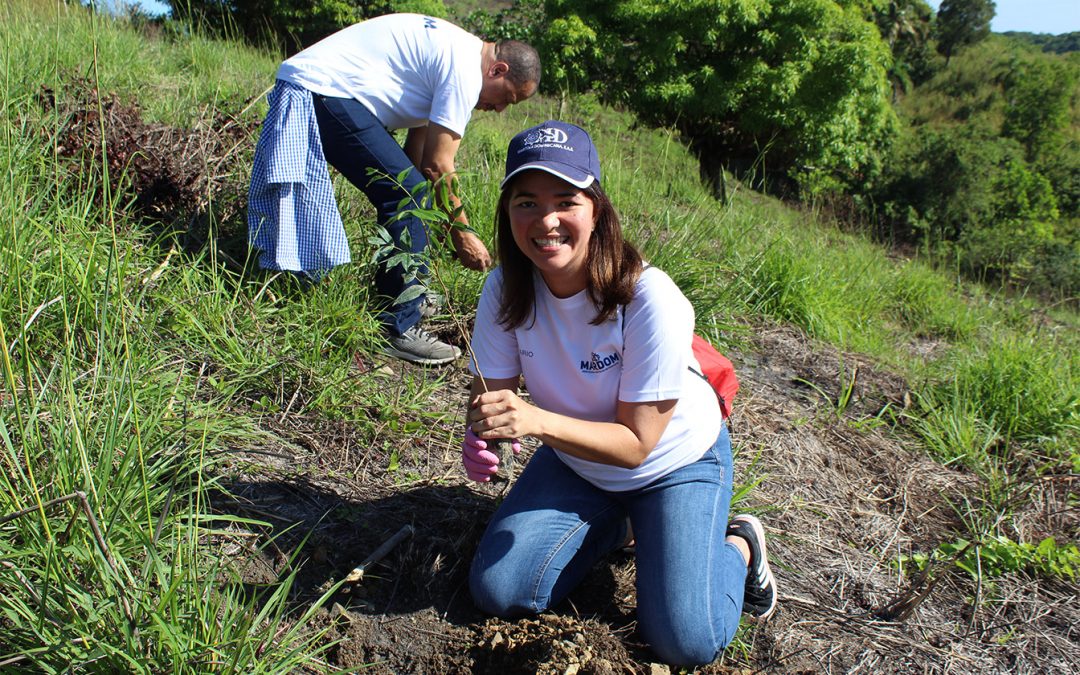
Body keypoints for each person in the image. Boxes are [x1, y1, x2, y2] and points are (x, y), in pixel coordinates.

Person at [461, 121, 777, 666]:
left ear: (597, 210)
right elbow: (490, 395)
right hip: (578, 460)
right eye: (527, 202)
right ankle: (625, 523)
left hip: (674, 461)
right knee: (500, 589)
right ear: (507, 210)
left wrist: (534, 421)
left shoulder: (648, 298)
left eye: (566, 201)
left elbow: (636, 444)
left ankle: (741, 545)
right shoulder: (504, 289)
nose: (546, 221)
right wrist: (480, 435)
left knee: (685, 640)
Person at [247, 13, 541, 365]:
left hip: (321, 87)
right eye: (507, 97)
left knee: (408, 190)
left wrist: (433, 225)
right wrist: (462, 234)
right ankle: (398, 327)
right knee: (408, 195)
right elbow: (439, 166)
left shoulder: (457, 53)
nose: (500, 109)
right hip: (321, 89)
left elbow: (417, 163)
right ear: (498, 70)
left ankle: (407, 293)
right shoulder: (465, 70)